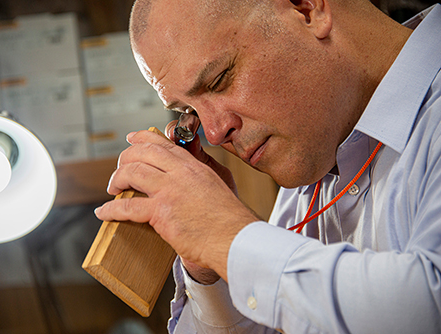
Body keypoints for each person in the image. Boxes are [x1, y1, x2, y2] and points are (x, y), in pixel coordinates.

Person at [94, 0, 441, 332]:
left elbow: (428, 311)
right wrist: (209, 267)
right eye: (191, 112)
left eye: (219, 80)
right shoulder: (314, 157)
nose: (214, 133)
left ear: (307, 8)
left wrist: (227, 234)